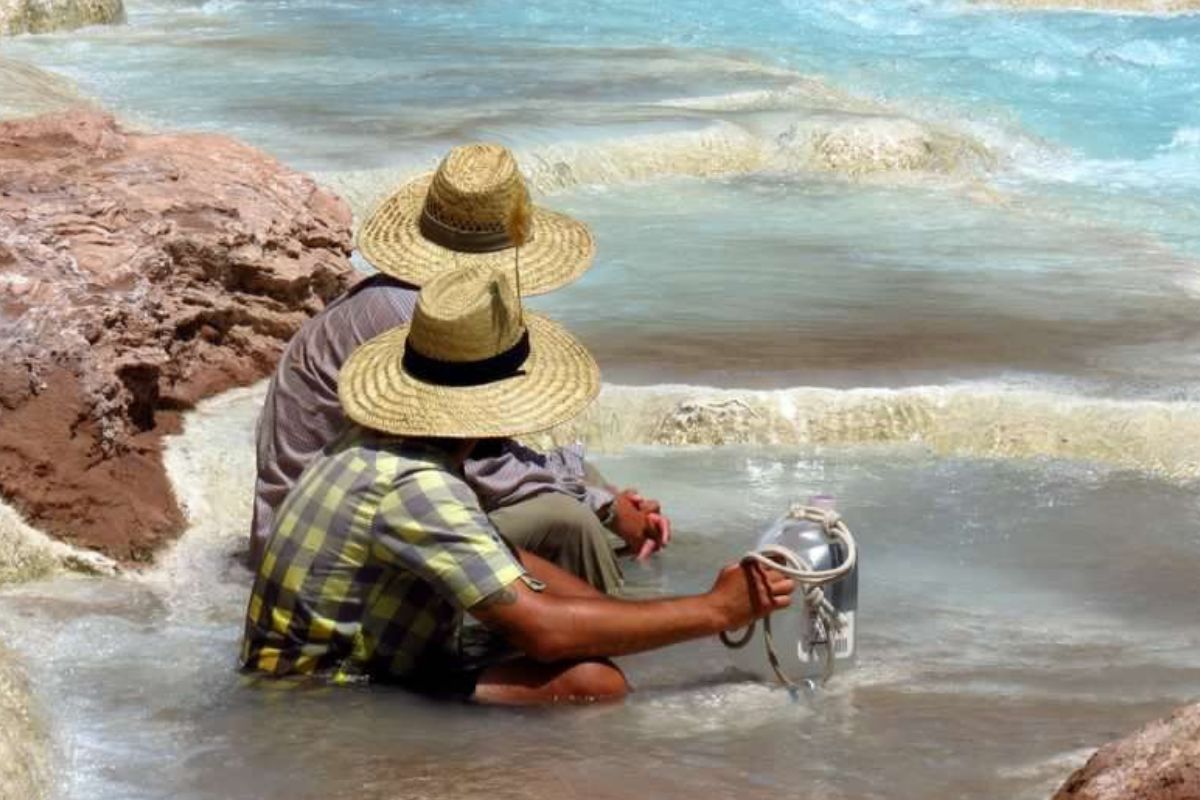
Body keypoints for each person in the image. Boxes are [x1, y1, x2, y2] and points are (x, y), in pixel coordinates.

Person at [240, 264, 796, 704]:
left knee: (583, 634)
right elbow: (545, 633)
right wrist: (715, 611)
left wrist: (628, 618)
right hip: (323, 699)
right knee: (592, 683)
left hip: (325, 669)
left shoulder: (380, 445)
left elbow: (508, 557)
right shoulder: (417, 486)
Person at [251, 143, 668, 592]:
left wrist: (607, 497)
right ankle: (608, 627)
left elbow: (480, 447)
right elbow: (482, 467)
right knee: (568, 521)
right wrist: (606, 508)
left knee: (584, 484)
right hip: (320, 543)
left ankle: (615, 603)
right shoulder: (413, 320)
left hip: (369, 501)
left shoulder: (409, 300)